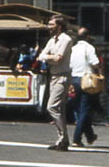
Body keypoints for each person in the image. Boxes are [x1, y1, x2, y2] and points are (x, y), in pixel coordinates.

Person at [38, 15, 73, 151]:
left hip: (62, 77)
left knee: (51, 107)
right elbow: (41, 55)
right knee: (60, 110)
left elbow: (58, 59)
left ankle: (62, 137)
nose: (49, 26)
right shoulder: (52, 40)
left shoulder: (66, 39)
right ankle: (63, 141)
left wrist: (47, 58)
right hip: (53, 76)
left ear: (59, 26)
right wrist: (49, 58)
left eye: (51, 24)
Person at [69, 27, 100, 147]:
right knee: (84, 109)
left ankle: (90, 135)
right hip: (86, 79)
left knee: (79, 108)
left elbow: (70, 65)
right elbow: (95, 63)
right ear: (87, 37)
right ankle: (76, 138)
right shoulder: (89, 48)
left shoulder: (73, 48)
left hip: (74, 79)